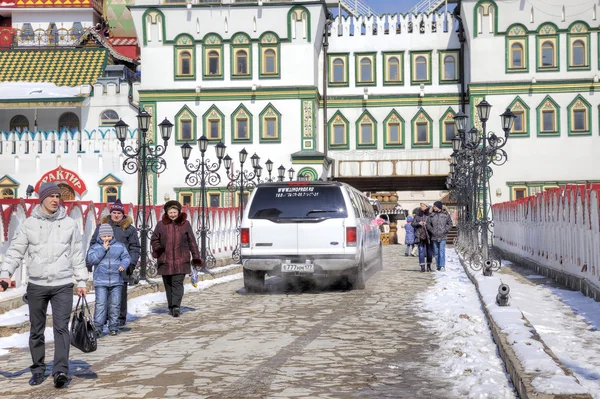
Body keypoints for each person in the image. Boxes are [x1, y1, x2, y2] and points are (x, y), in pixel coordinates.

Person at [0, 182, 88, 388]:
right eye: (51, 196)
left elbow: (77, 254)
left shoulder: (69, 224)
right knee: (36, 330)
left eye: (58, 196)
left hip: (63, 284)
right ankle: (38, 369)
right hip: (37, 285)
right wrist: (5, 274)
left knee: (61, 329)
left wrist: (81, 280)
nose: (56, 200)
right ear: (42, 199)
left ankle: (60, 371)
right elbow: (15, 251)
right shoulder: (28, 224)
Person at [88, 199, 140, 327]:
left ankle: (119, 320)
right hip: (103, 268)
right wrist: (93, 260)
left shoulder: (129, 229)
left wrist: (131, 264)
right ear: (110, 213)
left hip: (122, 267)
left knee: (120, 295)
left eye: (119, 213)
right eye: (114, 212)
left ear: (123, 215)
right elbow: (93, 244)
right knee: (102, 296)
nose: (116, 215)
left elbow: (135, 247)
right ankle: (103, 319)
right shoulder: (102, 227)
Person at [150, 200, 203, 317]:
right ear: (167, 213)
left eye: (175, 212)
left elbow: (192, 241)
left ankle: (176, 306)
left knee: (177, 283)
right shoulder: (161, 225)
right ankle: (171, 306)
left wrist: (196, 257)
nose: (173, 214)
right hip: (165, 260)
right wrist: (158, 249)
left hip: (181, 259)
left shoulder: (185, 224)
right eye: (170, 212)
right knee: (168, 284)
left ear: (178, 212)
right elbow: (154, 239)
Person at [87, 224, 131, 336]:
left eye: (109, 236)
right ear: (100, 236)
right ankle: (98, 327)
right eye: (104, 236)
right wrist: (103, 249)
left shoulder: (120, 246)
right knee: (101, 304)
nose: (107, 238)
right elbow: (91, 260)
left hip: (116, 280)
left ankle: (114, 326)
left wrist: (123, 264)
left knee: (115, 304)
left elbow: (126, 257)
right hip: (101, 281)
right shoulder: (95, 247)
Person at [427, 201, 453, 272]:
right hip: (434, 236)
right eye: (433, 206)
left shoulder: (445, 215)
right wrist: (432, 230)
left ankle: (442, 266)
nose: (433, 207)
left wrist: (445, 230)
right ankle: (438, 266)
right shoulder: (431, 215)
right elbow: (428, 224)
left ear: (438, 206)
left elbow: (450, 224)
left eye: (435, 206)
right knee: (436, 252)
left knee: (441, 251)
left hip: (443, 236)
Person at [412, 203, 434, 272]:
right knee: (421, 251)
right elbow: (413, 223)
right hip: (420, 234)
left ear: (426, 206)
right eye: (421, 206)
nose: (421, 207)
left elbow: (433, 224)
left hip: (429, 234)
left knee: (429, 252)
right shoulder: (417, 214)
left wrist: (426, 224)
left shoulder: (430, 214)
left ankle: (428, 266)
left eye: (423, 206)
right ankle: (422, 266)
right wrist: (419, 223)